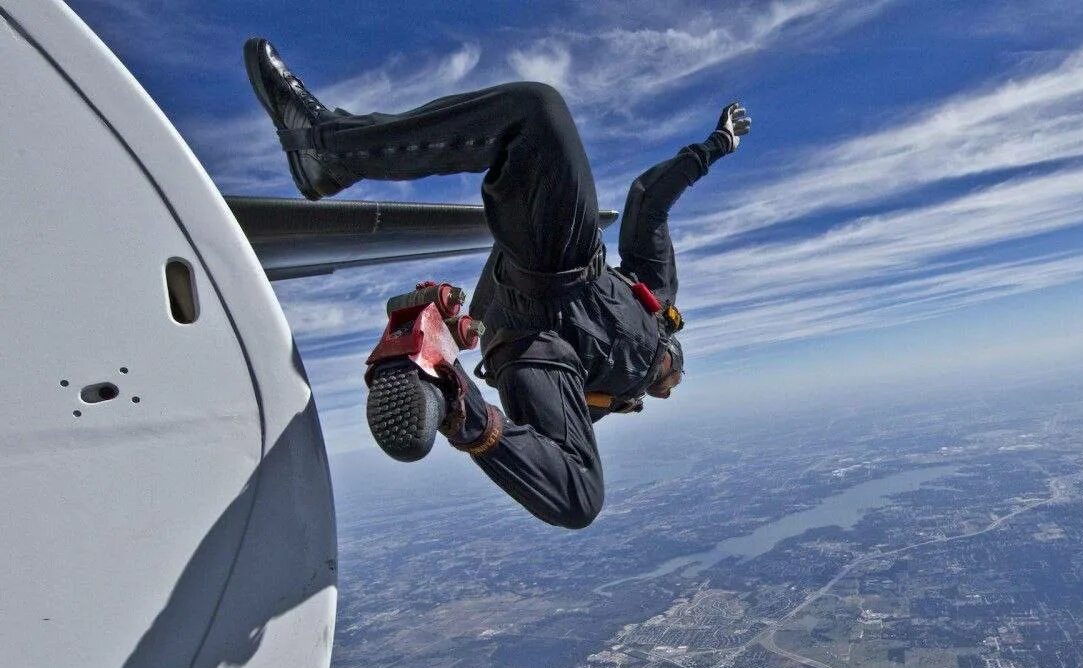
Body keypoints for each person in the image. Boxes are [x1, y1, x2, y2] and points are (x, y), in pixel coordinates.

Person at [245, 38, 751, 529]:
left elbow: (546, 437)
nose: (670, 389)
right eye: (674, 378)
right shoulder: (658, 304)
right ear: (673, 356)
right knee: (537, 115)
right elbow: (647, 202)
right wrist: (713, 148)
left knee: (580, 498)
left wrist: (493, 414)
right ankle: (330, 150)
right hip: (558, 270)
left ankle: (446, 391)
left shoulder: (602, 400)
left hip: (531, 344)